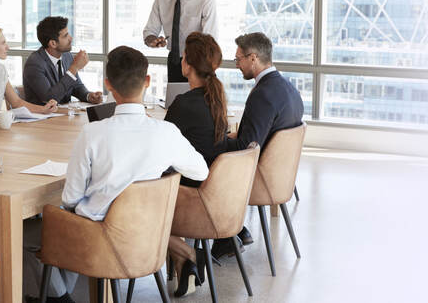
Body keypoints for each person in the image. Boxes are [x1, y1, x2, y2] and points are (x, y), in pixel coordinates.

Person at [23, 46, 209, 303]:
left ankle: (59, 296)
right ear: (147, 81)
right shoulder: (167, 133)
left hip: (97, 242)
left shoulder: (93, 134)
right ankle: (60, 296)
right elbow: (201, 170)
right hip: (149, 238)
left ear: (108, 84)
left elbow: (70, 199)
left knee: (29, 231)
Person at [211, 32, 304, 259]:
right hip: (278, 177)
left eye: (238, 59)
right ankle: (234, 232)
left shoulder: (263, 94)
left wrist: (215, 145)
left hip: (259, 179)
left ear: (253, 58)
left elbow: (247, 148)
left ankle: (226, 234)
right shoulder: (288, 88)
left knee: (206, 163)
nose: (237, 66)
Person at [163, 32, 228, 296]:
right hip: (214, 190)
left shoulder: (183, 104)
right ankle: (183, 260)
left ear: (186, 65)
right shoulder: (217, 99)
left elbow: (160, 147)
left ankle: (188, 253)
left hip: (190, 196)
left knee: (126, 203)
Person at [143, 0, 218, 83]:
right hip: (174, 61)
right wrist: (153, 40)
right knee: (175, 100)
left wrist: (198, 66)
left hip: (198, 62)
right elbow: (149, 31)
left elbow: (210, 41)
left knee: (197, 101)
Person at [23, 16, 103, 105]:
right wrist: (74, 67)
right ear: (53, 43)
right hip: (43, 117)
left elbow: (75, 85)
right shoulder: (34, 64)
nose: (71, 38)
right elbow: (49, 99)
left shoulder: (66, 55)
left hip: (63, 114)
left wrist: (88, 96)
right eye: (65, 36)